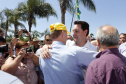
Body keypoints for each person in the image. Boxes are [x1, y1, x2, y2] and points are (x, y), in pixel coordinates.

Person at [28, 22, 97, 84]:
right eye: (67, 34)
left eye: (76, 31)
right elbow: (104, 59)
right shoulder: (74, 51)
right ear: (63, 33)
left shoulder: (43, 54)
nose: (72, 35)